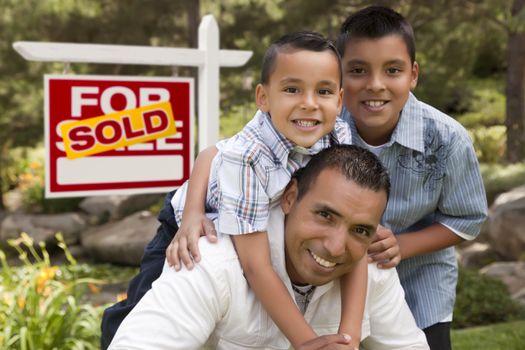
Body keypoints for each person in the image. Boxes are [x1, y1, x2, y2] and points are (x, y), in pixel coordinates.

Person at [103, 31, 367, 349]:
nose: (309, 104)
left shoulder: (338, 133)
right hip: (190, 216)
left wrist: (348, 340)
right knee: (150, 303)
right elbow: (256, 267)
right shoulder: (249, 156)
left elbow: (211, 152)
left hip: (261, 210)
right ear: (263, 97)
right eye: (292, 89)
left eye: (323, 91)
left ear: (339, 100)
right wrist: (307, 342)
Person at [109, 144, 429, 350]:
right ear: (289, 198)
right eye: (324, 215)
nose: (334, 247)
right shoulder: (211, 260)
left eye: (360, 229)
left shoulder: (371, 266)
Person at [335, 6, 488, 350]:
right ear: (339, 74)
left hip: (420, 285)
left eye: (393, 70)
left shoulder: (447, 138)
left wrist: (401, 246)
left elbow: (468, 219)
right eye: (358, 70)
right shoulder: (323, 129)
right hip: (337, 283)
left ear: (413, 74)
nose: (375, 85)